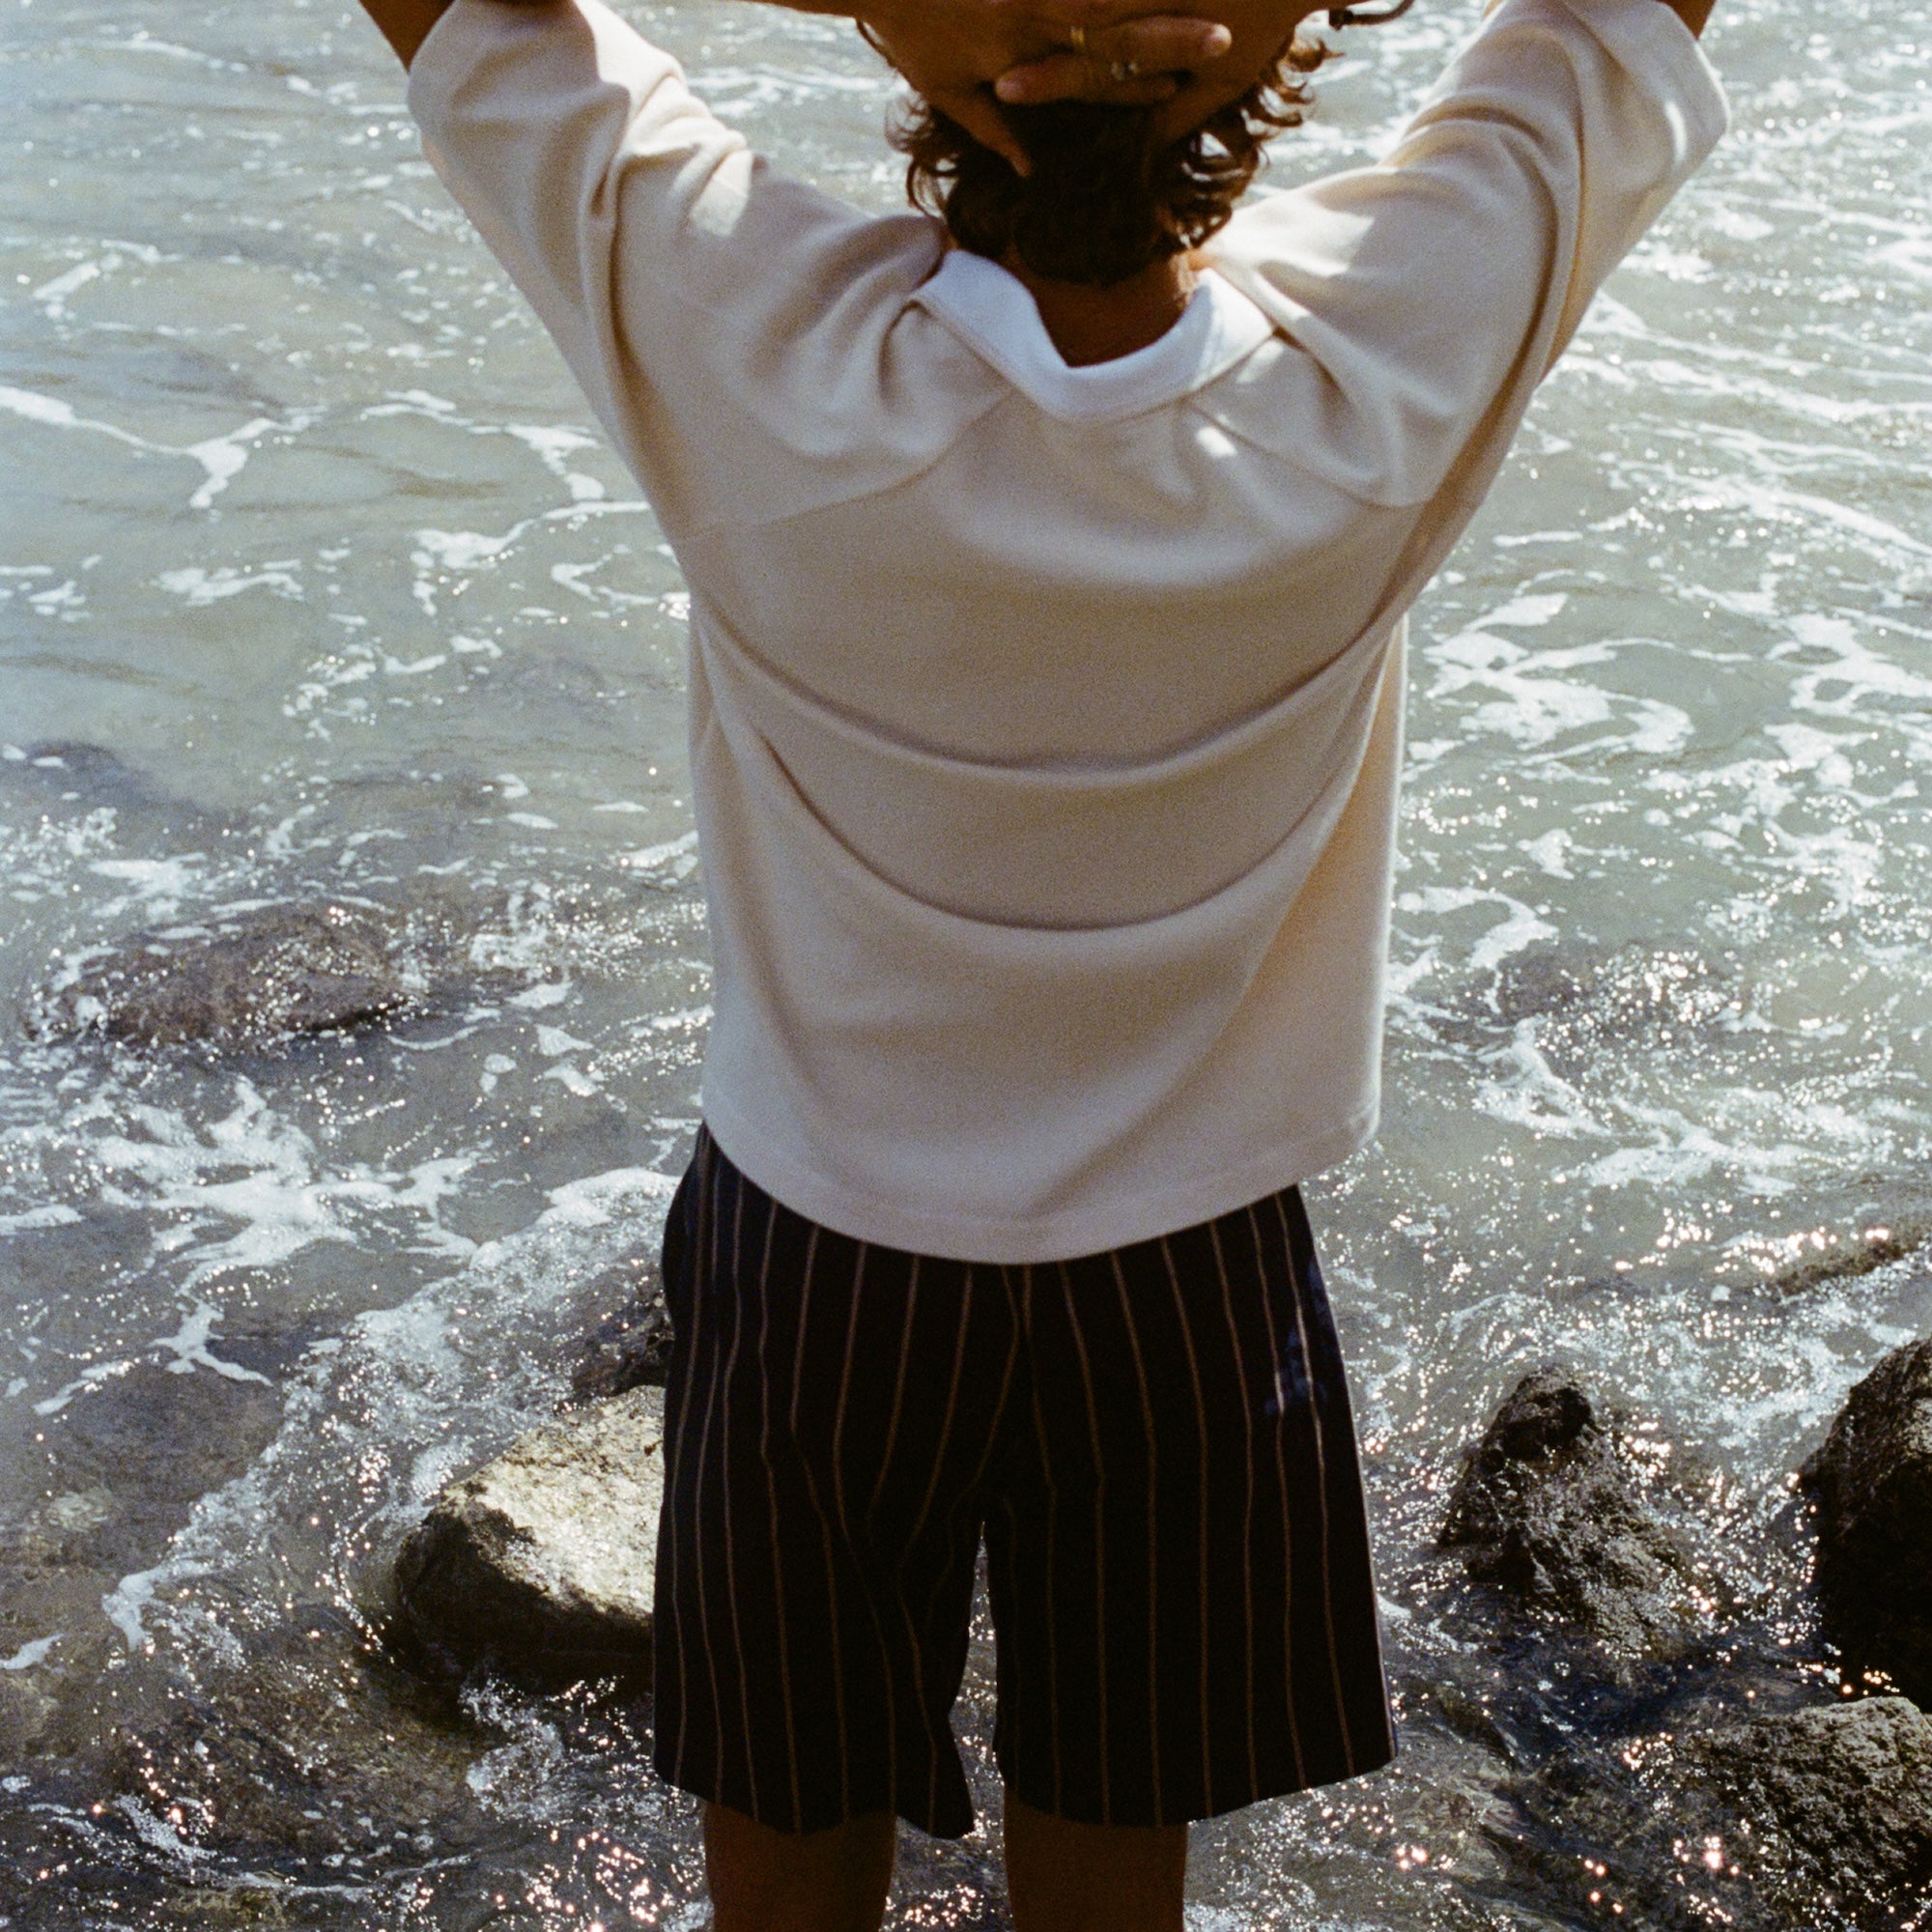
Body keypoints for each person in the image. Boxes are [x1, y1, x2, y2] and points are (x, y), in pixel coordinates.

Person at [352, 0, 1725, 1922]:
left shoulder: (760, 352)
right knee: (1112, 1879)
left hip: (823, 1257)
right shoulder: (1371, 377)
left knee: (786, 1870)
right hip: (1189, 1268)